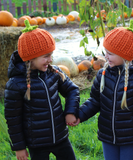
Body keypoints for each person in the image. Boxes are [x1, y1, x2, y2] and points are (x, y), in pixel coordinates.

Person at [76, 20, 133, 160]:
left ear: (125, 56)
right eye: (105, 52)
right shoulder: (103, 74)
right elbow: (95, 101)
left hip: (130, 137)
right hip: (107, 134)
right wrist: (80, 115)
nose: (106, 57)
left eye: (110, 54)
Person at [4, 20, 80, 160]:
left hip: (61, 137)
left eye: (51, 55)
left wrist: (70, 111)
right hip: (36, 144)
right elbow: (13, 119)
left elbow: (72, 90)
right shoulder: (15, 84)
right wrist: (19, 147)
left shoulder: (54, 73)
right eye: (46, 56)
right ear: (30, 58)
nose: (50, 60)